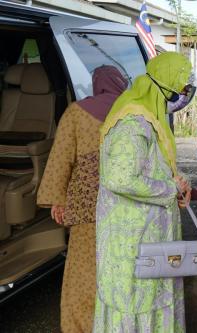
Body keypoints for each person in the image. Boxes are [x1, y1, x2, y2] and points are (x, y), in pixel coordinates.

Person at [93, 52, 192, 333]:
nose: (185, 94)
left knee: (153, 296)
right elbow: (120, 178)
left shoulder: (151, 118)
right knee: (136, 301)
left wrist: (178, 184)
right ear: (165, 85)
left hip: (147, 233)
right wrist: (169, 189)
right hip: (131, 238)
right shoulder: (134, 123)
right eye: (182, 86)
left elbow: (153, 166)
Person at [37, 65, 128, 333]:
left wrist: (58, 200)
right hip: (127, 204)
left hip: (87, 204)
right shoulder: (133, 111)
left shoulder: (77, 112)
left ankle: (81, 326)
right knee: (122, 266)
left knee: (83, 271)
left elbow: (61, 157)